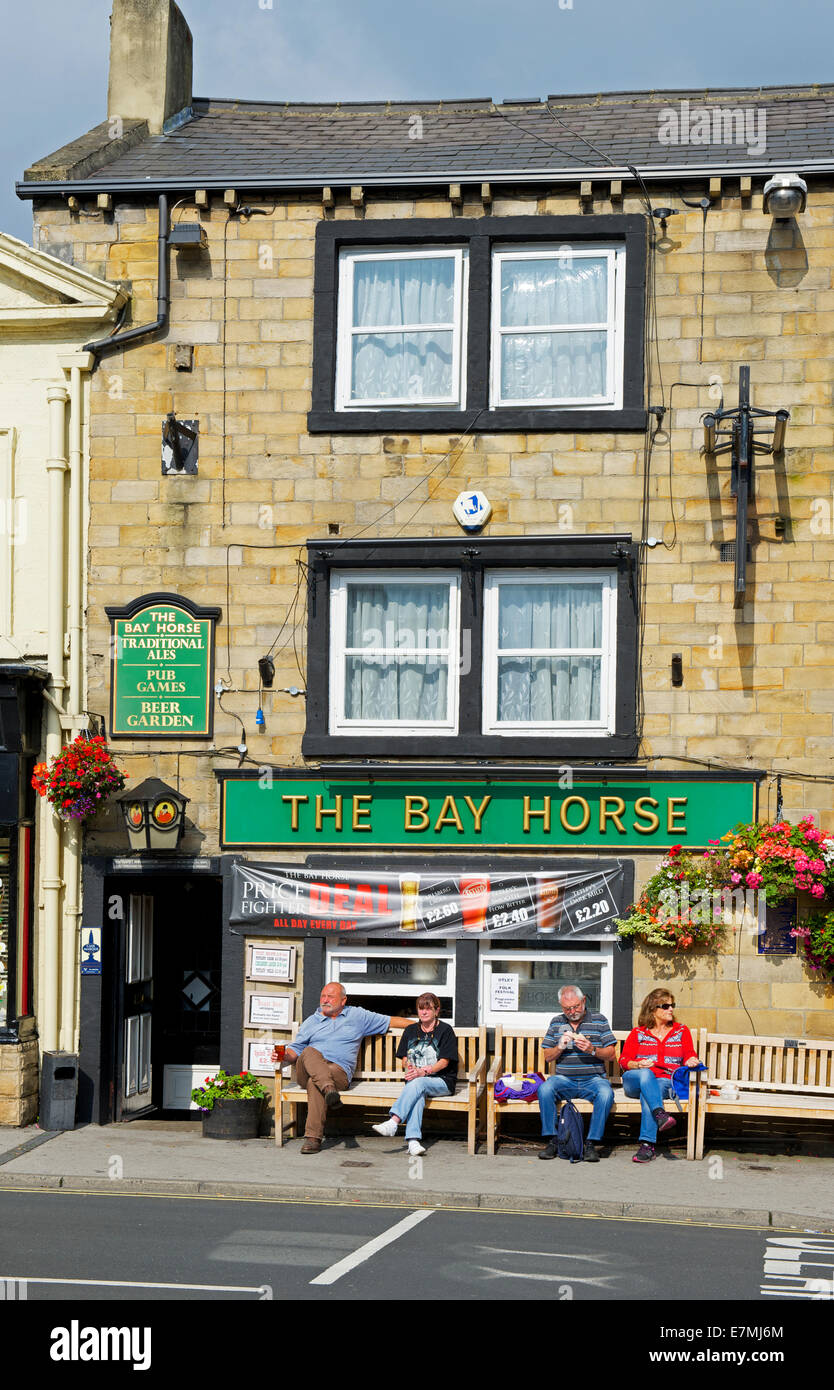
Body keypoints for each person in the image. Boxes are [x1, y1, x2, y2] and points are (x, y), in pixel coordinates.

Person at [271, 982, 414, 1154]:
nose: (325, 1000)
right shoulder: (311, 1021)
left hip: (338, 1073)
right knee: (309, 1052)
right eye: (323, 996)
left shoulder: (357, 1016)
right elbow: (295, 1051)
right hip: (308, 1068)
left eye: (330, 997)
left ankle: (313, 1139)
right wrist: (283, 1056)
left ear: (343, 1000)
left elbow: (391, 1020)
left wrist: (426, 1025)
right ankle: (328, 1089)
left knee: (314, 1082)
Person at [371, 993, 459, 1157]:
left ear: (436, 1010)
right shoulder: (411, 1030)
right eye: (421, 1008)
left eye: (428, 1009)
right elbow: (405, 1058)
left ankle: (394, 1121)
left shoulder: (445, 1030)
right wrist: (409, 1065)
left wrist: (423, 1071)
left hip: (442, 1081)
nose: (424, 1012)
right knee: (417, 1092)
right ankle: (413, 1142)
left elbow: (444, 1062)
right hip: (416, 1081)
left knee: (418, 1084)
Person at [619, 989, 701, 1164]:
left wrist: (691, 1060)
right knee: (647, 1075)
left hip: (666, 1081)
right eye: (665, 1006)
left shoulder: (681, 1031)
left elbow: (689, 1053)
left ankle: (647, 1144)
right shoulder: (638, 1033)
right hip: (635, 1079)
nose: (671, 1009)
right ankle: (660, 1116)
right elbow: (624, 1060)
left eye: (672, 1005)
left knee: (648, 1093)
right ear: (652, 1009)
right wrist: (638, 1064)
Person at [537, 985, 617, 1162]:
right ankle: (554, 1140)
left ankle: (591, 1143)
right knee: (545, 1089)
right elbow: (547, 1057)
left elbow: (611, 1055)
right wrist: (559, 1046)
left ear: (584, 1001)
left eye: (576, 1006)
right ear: (561, 1007)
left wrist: (592, 1050)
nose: (572, 1011)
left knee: (605, 1093)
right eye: (567, 1008)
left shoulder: (599, 1020)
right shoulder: (557, 1021)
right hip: (564, 1080)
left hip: (593, 1079)